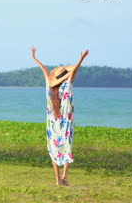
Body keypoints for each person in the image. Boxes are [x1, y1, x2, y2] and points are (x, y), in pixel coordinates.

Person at [31, 46, 89, 186]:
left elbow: (44, 70)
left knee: (54, 150)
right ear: (65, 77)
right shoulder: (67, 85)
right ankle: (65, 177)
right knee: (66, 147)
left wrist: (34, 58)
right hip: (66, 123)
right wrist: (81, 59)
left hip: (52, 125)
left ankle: (58, 180)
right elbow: (74, 71)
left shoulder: (49, 88)